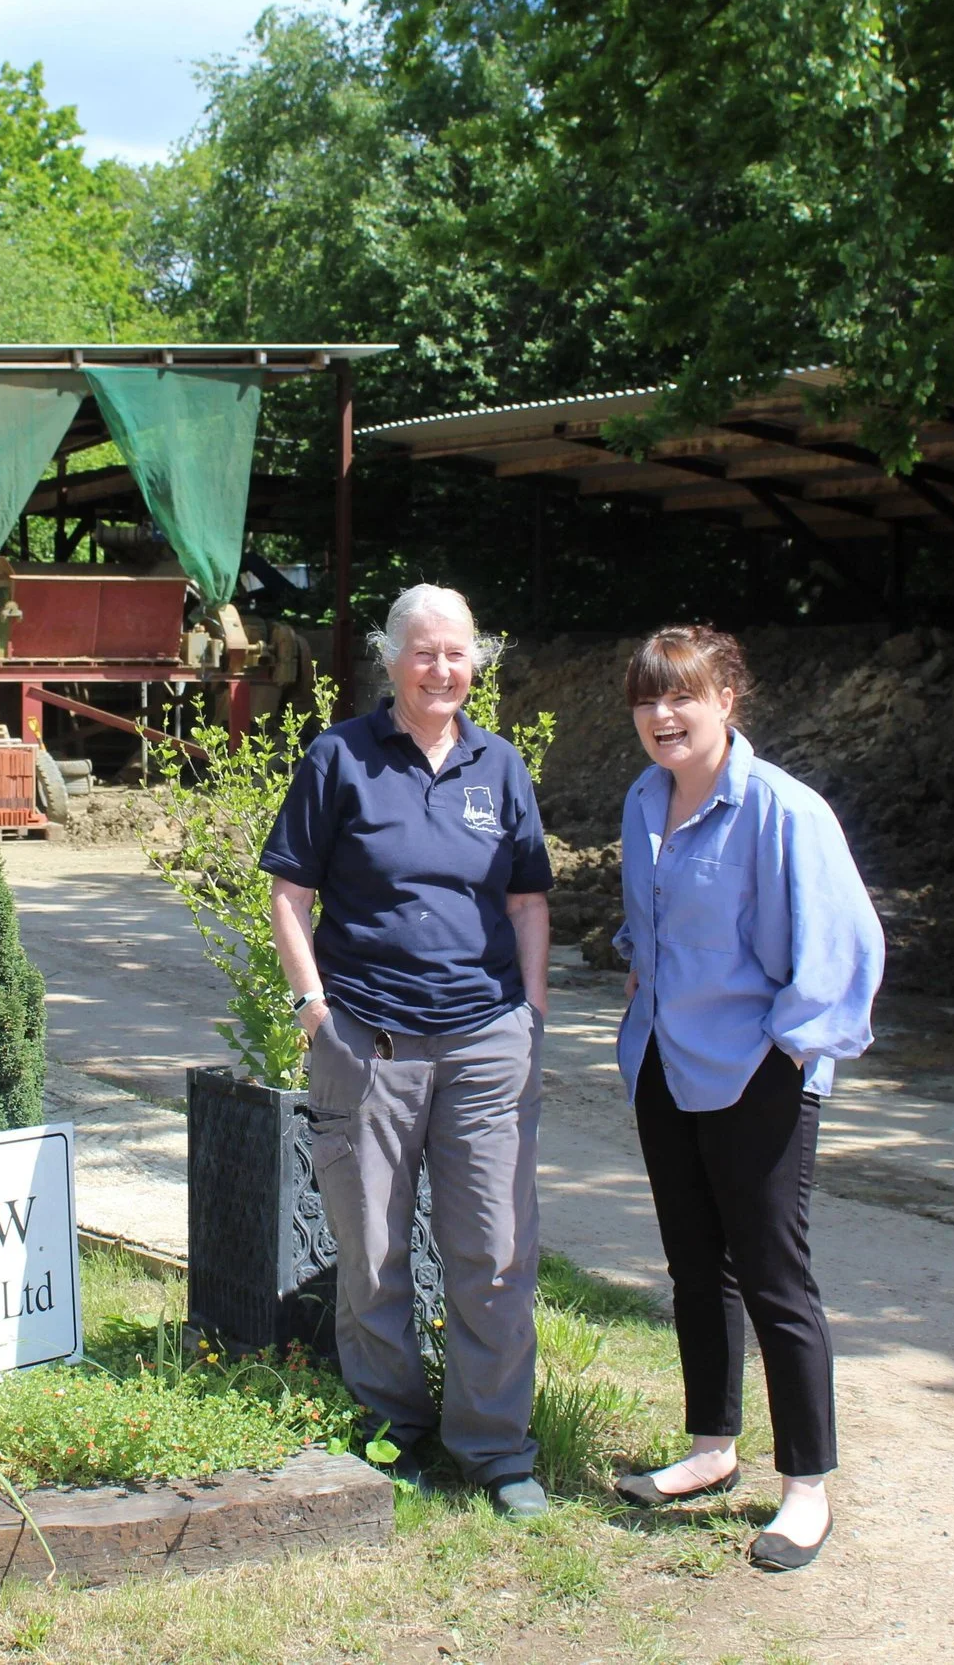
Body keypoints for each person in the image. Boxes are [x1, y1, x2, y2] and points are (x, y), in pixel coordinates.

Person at [261, 583, 554, 1517]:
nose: (441, 669)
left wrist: (532, 1016)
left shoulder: (500, 766)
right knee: (374, 1249)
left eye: (457, 653)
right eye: (423, 651)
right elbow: (289, 895)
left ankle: (496, 1447)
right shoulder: (339, 757)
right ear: (391, 660)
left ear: (478, 663)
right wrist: (314, 1008)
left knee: (494, 1249)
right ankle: (394, 1426)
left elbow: (528, 901)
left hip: (484, 1044)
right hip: (370, 1048)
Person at [607, 625, 882, 1572]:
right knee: (695, 1265)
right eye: (647, 698)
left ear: (728, 697)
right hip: (661, 1065)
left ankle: (806, 1488)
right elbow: (651, 924)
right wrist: (635, 970)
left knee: (774, 1277)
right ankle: (710, 1448)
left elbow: (846, 948)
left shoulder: (782, 810)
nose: (662, 716)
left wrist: (788, 1053)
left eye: (681, 695)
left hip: (757, 1075)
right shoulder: (645, 800)